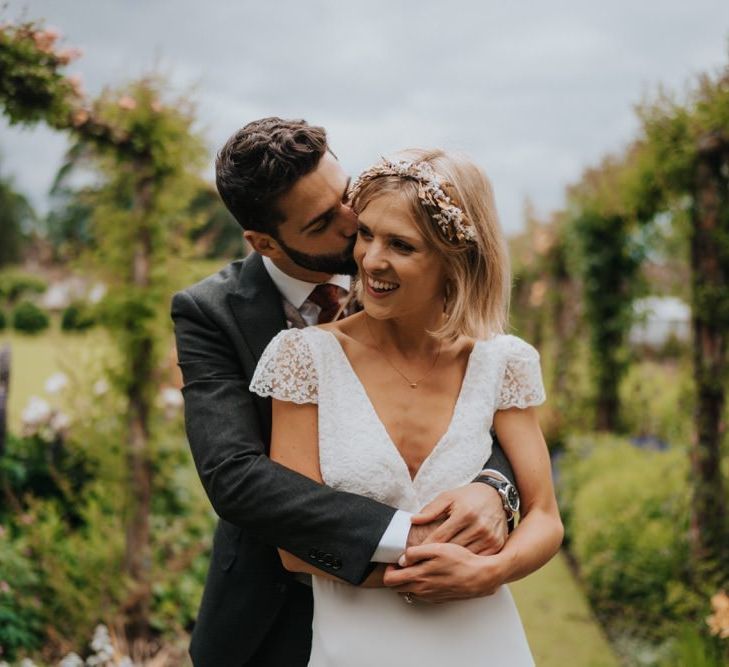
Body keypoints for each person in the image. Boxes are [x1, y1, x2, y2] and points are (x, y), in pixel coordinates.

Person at [171, 118, 522, 666]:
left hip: (431, 621)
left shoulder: (411, 275)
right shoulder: (209, 314)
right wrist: (413, 541)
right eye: (322, 222)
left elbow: (481, 394)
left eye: (345, 195)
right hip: (270, 613)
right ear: (265, 242)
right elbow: (235, 475)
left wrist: (494, 486)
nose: (354, 222)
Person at [249, 148, 564, 665]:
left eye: (402, 245)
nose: (372, 260)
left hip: (484, 641)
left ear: (453, 258)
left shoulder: (500, 362)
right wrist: (421, 577)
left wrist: (488, 573)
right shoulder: (305, 358)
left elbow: (546, 517)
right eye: (367, 234)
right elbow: (293, 540)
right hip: (354, 646)